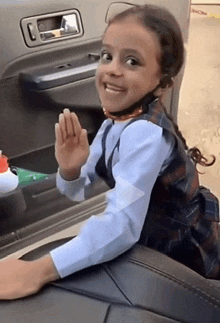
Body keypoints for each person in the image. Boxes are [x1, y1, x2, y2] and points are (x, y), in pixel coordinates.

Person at [0, 3, 219, 300]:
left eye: (132, 62)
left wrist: (38, 270)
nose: (113, 69)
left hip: (180, 242)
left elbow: (122, 225)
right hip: (147, 226)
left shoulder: (146, 136)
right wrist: (70, 169)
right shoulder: (113, 123)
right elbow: (78, 190)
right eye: (107, 56)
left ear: (161, 84)